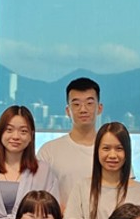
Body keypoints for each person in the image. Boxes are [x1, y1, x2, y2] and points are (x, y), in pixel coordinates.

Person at [39, 77, 104, 208]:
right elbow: (38, 195)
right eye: (76, 104)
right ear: (68, 111)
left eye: (89, 103)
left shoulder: (111, 151)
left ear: (99, 108)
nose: (83, 109)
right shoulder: (49, 151)